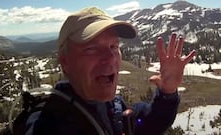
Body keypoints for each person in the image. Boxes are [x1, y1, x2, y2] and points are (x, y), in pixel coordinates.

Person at [25, 7, 196, 135]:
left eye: (114, 46)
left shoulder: (112, 107)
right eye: (91, 49)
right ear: (65, 61)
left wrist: (167, 92)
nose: (109, 57)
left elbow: (150, 123)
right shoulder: (49, 123)